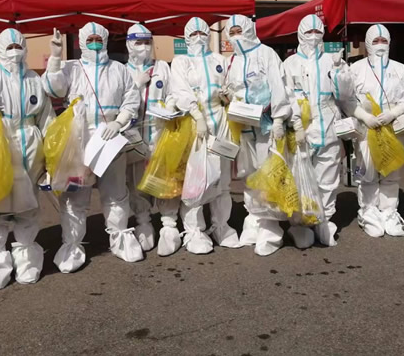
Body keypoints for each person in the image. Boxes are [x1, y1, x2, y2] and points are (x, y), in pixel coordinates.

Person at [43, 23, 143, 271]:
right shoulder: (71, 67)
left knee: (116, 192)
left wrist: (119, 122)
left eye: (99, 39)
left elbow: (131, 99)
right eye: (91, 39)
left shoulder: (118, 69)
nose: (95, 43)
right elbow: (53, 88)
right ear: (81, 41)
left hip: (111, 138)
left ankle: (120, 239)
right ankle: (72, 246)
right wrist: (55, 57)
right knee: (75, 195)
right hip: (79, 139)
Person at [0, 29, 54, 290]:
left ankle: (27, 261)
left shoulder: (34, 79)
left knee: (28, 206)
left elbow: (47, 118)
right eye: (9, 47)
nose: (15, 51)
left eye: (19, 46)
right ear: (0, 49)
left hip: (30, 143)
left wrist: (51, 155)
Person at [169, 17, 240, 254]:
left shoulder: (219, 60)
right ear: (186, 37)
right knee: (196, 180)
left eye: (203, 33)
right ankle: (194, 231)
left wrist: (228, 96)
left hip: (221, 122)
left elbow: (230, 86)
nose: (199, 38)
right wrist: (197, 115)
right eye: (194, 34)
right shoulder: (181, 62)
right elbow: (180, 91)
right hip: (195, 124)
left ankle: (221, 225)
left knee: (222, 178)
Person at [223, 14, 291, 256]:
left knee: (268, 175)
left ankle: (271, 229)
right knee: (249, 175)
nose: (236, 36)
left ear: (250, 29)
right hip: (243, 126)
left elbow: (279, 87)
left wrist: (279, 118)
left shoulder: (266, 54)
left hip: (266, 127)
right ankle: (254, 220)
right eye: (231, 32)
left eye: (239, 30)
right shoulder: (232, 60)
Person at [283, 15, 351, 248]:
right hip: (301, 130)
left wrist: (340, 71)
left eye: (318, 32)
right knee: (300, 178)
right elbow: (286, 97)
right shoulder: (290, 64)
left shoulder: (331, 61)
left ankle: (324, 219)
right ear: (300, 34)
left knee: (328, 178)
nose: (313, 37)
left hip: (328, 126)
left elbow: (344, 95)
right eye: (308, 32)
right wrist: (296, 123)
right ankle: (299, 224)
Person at [349, 24, 404, 237]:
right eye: (375, 41)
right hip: (366, 126)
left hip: (392, 126)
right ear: (368, 43)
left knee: (391, 172)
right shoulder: (356, 69)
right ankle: (368, 212)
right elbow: (347, 100)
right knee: (366, 172)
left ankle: (388, 212)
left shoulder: (400, 69)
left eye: (384, 41)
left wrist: (393, 113)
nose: (380, 45)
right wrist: (364, 116)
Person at [124, 23, 181, 256]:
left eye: (147, 42)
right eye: (138, 42)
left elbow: (173, 92)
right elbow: (119, 103)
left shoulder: (162, 67)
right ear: (129, 44)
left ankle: (169, 225)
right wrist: (135, 86)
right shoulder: (122, 71)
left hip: (161, 135)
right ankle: (143, 222)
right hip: (134, 138)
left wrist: (171, 105)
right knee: (136, 182)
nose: (144, 47)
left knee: (165, 182)